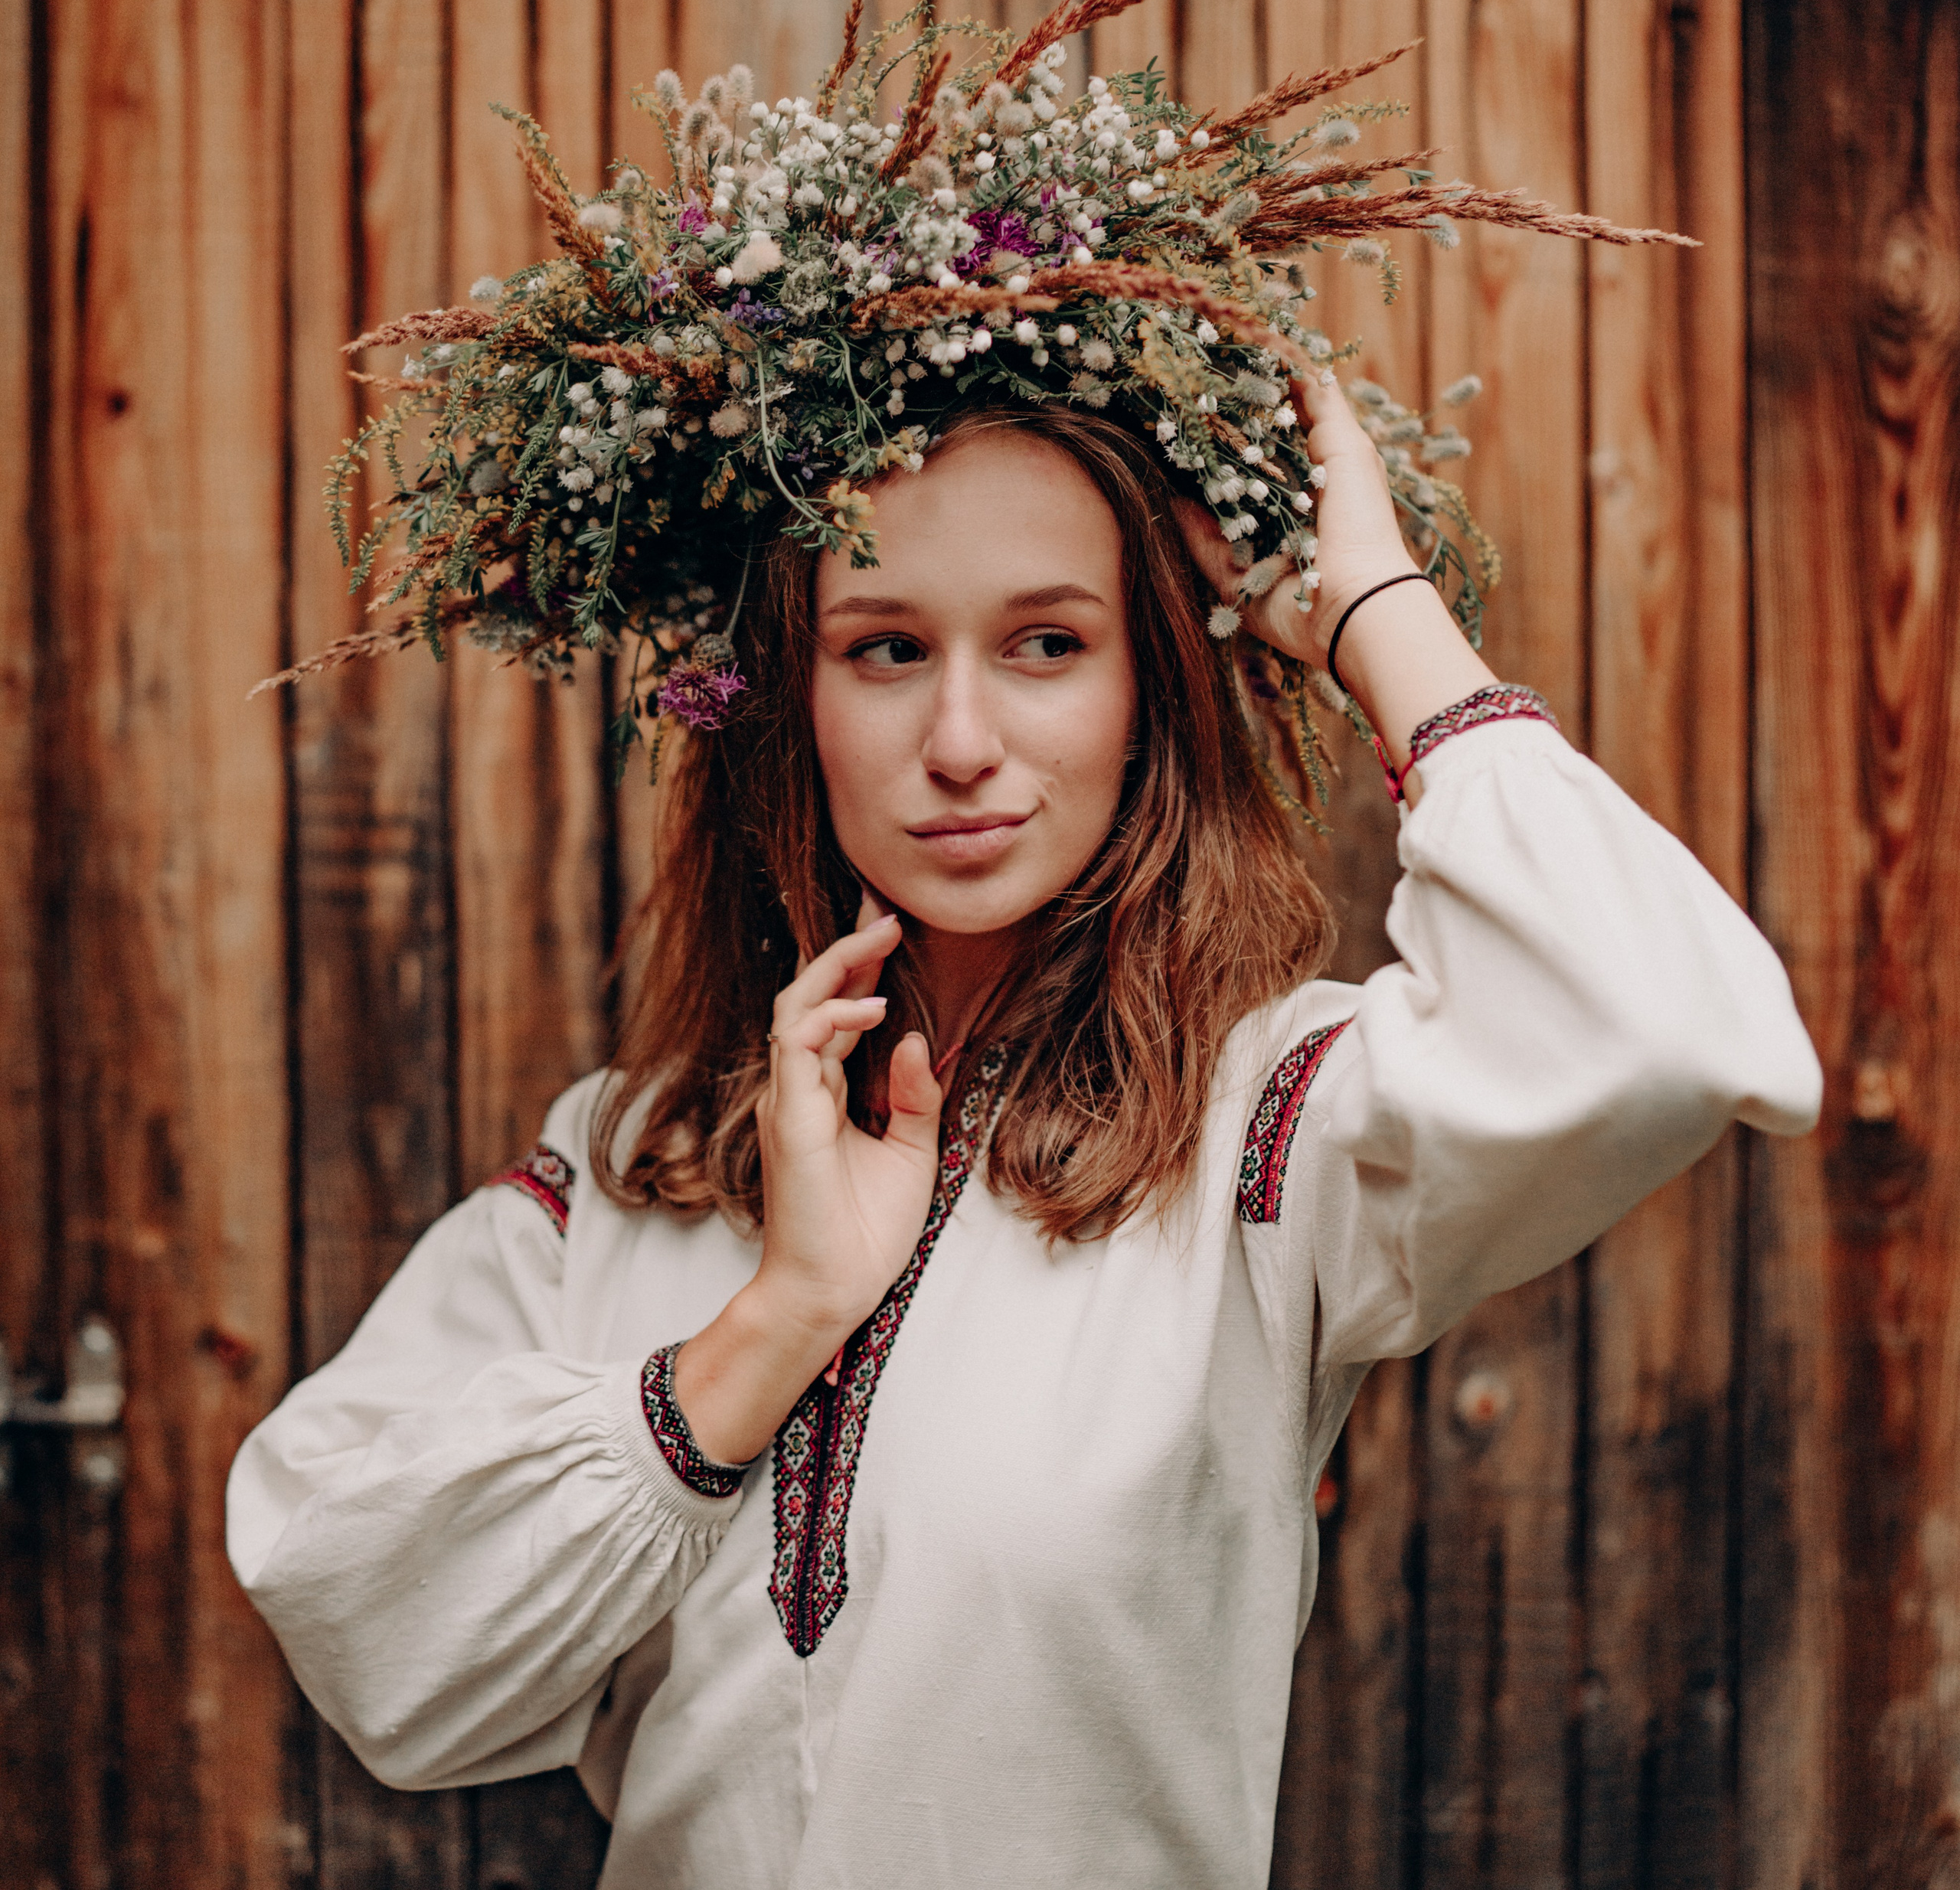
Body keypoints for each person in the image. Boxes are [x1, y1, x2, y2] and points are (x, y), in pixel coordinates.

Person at [228, 361, 1820, 1888]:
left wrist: (1371, 617)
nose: (962, 740)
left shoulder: (1270, 1134)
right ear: (792, 696)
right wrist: (772, 1324)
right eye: (883, 647)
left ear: (1149, 689)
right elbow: (360, 1614)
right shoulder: (637, 1159)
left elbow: (1666, 1031)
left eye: (1047, 642)